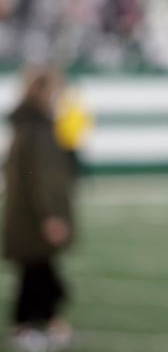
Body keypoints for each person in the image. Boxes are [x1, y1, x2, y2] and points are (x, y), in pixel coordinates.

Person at [2, 67, 75, 351]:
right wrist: (50, 216)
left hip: (31, 216)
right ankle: (27, 327)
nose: (57, 96)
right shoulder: (35, 128)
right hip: (33, 219)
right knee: (37, 272)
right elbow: (40, 179)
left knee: (39, 272)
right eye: (53, 90)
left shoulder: (32, 125)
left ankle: (47, 323)